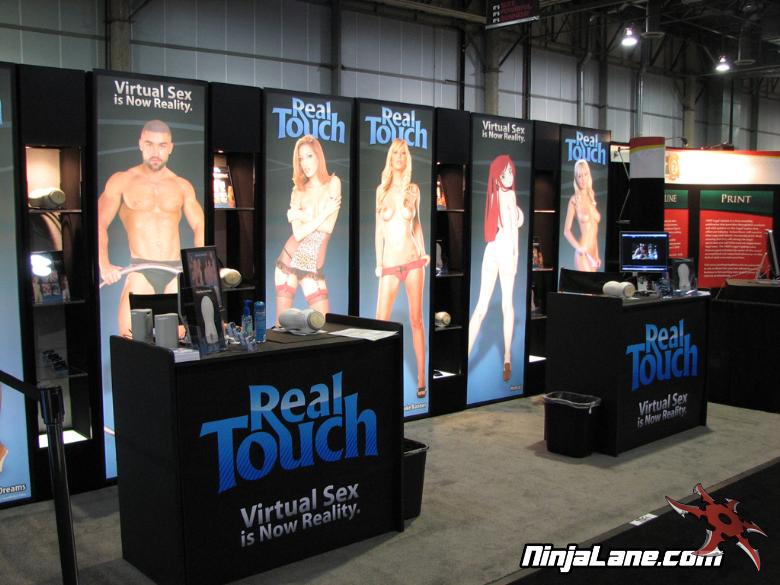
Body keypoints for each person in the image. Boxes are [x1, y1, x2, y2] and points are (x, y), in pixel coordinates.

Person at [99, 119, 205, 337]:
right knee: (131, 340)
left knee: (180, 343)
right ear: (140, 144)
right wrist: (104, 264)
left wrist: (198, 269)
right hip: (141, 270)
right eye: (150, 144)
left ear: (170, 148)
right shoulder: (122, 181)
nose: (156, 152)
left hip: (175, 272)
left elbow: (199, 225)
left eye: (162, 145)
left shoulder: (182, 185)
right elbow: (99, 222)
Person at [375, 139, 429, 398]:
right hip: (389, 265)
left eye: (403, 153)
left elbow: (416, 225)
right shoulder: (381, 191)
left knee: (416, 320)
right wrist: (378, 262)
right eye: (395, 152)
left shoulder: (413, 190)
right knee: (379, 322)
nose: (399, 156)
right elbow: (379, 231)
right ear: (390, 157)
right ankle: (376, 374)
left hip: (413, 262)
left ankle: (421, 378)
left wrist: (424, 251)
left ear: (407, 159)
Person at [468, 155, 524, 382]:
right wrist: (516, 256)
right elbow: (512, 230)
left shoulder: (492, 195)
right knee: (507, 304)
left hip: (490, 249)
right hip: (506, 250)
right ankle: (507, 358)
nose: (509, 176)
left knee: (481, 306)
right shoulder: (509, 195)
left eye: (510, 172)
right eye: (504, 173)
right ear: (498, 176)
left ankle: (465, 355)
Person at [275, 135, 341, 324]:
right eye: (300, 158)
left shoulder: (333, 183)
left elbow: (329, 227)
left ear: (319, 156)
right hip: (288, 262)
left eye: (309, 156)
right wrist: (323, 213)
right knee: (281, 328)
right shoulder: (298, 190)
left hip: (313, 268)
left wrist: (302, 216)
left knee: (324, 325)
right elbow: (298, 234)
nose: (305, 163)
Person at [563, 159, 601, 272]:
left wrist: (596, 255)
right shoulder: (574, 200)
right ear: (576, 178)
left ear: (588, 175)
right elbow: (566, 231)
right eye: (579, 176)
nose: (583, 179)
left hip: (593, 254)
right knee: (586, 283)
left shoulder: (591, 197)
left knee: (593, 284)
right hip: (583, 254)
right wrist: (579, 248)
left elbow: (594, 230)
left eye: (585, 174)